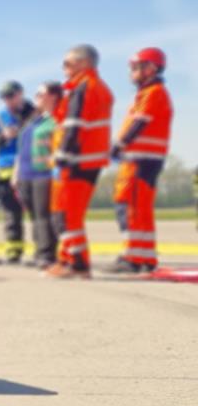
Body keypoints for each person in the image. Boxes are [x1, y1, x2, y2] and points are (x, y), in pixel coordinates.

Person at [46, 45, 114, 279]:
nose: (64, 68)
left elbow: (74, 126)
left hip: (78, 160)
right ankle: (69, 260)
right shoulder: (95, 87)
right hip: (89, 159)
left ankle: (78, 264)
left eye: (67, 63)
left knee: (67, 214)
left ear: (83, 63)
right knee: (68, 214)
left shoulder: (85, 87)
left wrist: (62, 157)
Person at [110, 47, 174, 274]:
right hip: (143, 160)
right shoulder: (151, 93)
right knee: (140, 208)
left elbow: (139, 123)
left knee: (131, 207)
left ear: (151, 69)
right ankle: (145, 256)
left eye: (136, 67)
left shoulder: (153, 92)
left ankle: (133, 258)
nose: (132, 72)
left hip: (140, 160)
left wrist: (119, 145)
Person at [0, 81, 32, 264]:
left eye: (10, 96)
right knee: (12, 216)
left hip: (33, 171)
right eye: (4, 97)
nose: (7, 100)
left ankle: (46, 252)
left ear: (20, 94)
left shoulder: (35, 113)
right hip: (7, 174)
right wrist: (2, 137)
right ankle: (13, 252)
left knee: (40, 215)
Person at [18, 83, 62, 266]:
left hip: (44, 174)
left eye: (40, 94)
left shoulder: (57, 120)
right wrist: (16, 174)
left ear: (53, 96)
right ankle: (39, 251)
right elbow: (21, 149)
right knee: (34, 216)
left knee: (44, 215)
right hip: (26, 174)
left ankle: (47, 254)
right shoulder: (34, 120)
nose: (36, 97)